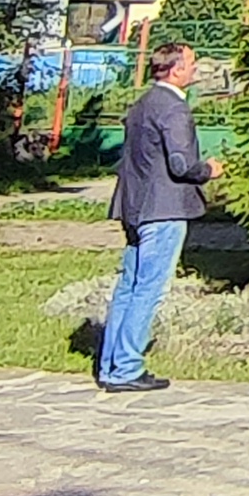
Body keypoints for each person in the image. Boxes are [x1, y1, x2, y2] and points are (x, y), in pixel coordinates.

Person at [99, 40, 218, 392]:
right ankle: (127, 368)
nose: (195, 69)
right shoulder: (174, 109)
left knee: (128, 287)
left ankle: (111, 365)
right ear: (177, 69)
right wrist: (207, 170)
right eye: (192, 63)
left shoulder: (142, 104)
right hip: (164, 209)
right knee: (148, 290)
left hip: (133, 207)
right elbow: (180, 164)